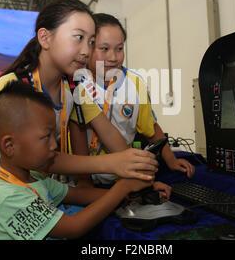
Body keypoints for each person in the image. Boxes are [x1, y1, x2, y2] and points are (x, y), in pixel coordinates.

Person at [0, 0, 158, 240]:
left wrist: (129, 168)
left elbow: (92, 131)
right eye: (78, 37)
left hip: (36, 171)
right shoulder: (13, 85)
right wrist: (114, 164)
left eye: (91, 41)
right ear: (45, 38)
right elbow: (39, 157)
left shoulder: (73, 86)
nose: (86, 50)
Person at [0, 81, 158, 239]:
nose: (54, 145)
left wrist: (135, 191)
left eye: (54, 136)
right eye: (45, 137)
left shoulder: (35, 179)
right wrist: (122, 187)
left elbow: (80, 194)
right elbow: (72, 227)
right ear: (9, 145)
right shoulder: (5, 197)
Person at [70, 13, 195, 185]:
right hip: (85, 175)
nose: (113, 57)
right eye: (104, 49)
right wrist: (84, 182)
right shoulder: (77, 82)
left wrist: (171, 160)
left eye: (119, 49)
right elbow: (78, 131)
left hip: (123, 176)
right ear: (88, 47)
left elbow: (150, 128)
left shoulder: (135, 84)